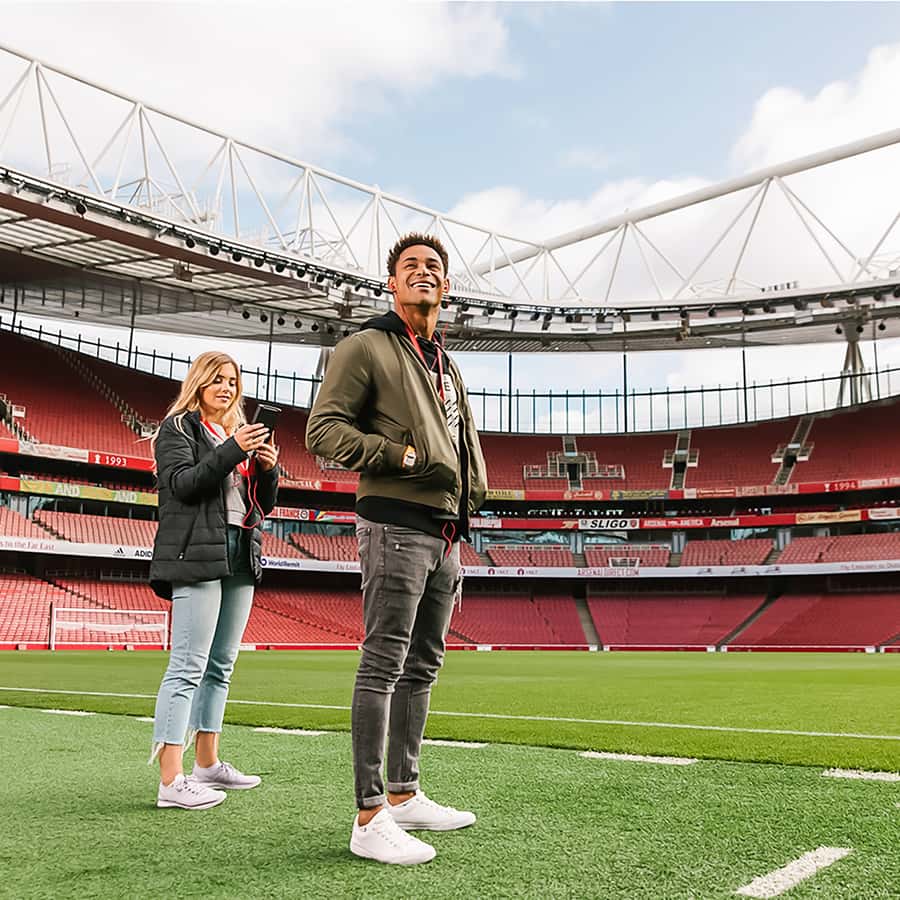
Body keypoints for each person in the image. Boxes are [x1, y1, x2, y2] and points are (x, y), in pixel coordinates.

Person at [306, 233, 488, 864]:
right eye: (409, 266)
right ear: (391, 283)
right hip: (394, 524)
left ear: (445, 287)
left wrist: (466, 501)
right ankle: (368, 814)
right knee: (384, 661)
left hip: (444, 530)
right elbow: (322, 429)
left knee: (424, 665)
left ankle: (406, 794)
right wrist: (400, 456)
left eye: (433, 267)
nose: (423, 273)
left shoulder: (445, 360)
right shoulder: (365, 345)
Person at [148, 350, 280, 810]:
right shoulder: (177, 428)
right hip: (198, 552)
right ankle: (170, 779)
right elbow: (183, 484)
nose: (227, 387)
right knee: (188, 664)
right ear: (199, 383)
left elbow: (260, 501)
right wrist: (233, 450)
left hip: (241, 550)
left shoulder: (233, 434)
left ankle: (207, 763)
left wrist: (267, 469)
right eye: (217, 379)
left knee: (221, 665)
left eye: (232, 380)